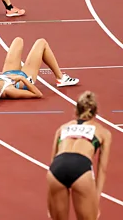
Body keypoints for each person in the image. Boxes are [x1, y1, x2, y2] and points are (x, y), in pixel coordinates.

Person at [47, 91, 111, 220]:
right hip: (81, 167)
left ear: (76, 110)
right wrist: (95, 199)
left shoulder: (62, 128)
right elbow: (102, 169)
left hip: (57, 168)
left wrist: (50, 201)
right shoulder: (103, 132)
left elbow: (52, 160)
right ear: (95, 112)